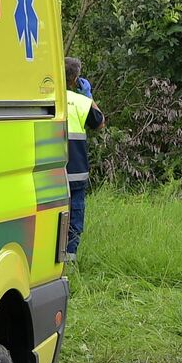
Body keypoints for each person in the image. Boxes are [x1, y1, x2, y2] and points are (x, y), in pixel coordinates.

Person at [63, 56, 104, 263]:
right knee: (75, 214)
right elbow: (99, 123)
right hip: (76, 171)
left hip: (49, 172)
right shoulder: (81, 101)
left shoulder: (47, 98)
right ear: (76, 79)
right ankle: (70, 260)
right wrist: (88, 96)